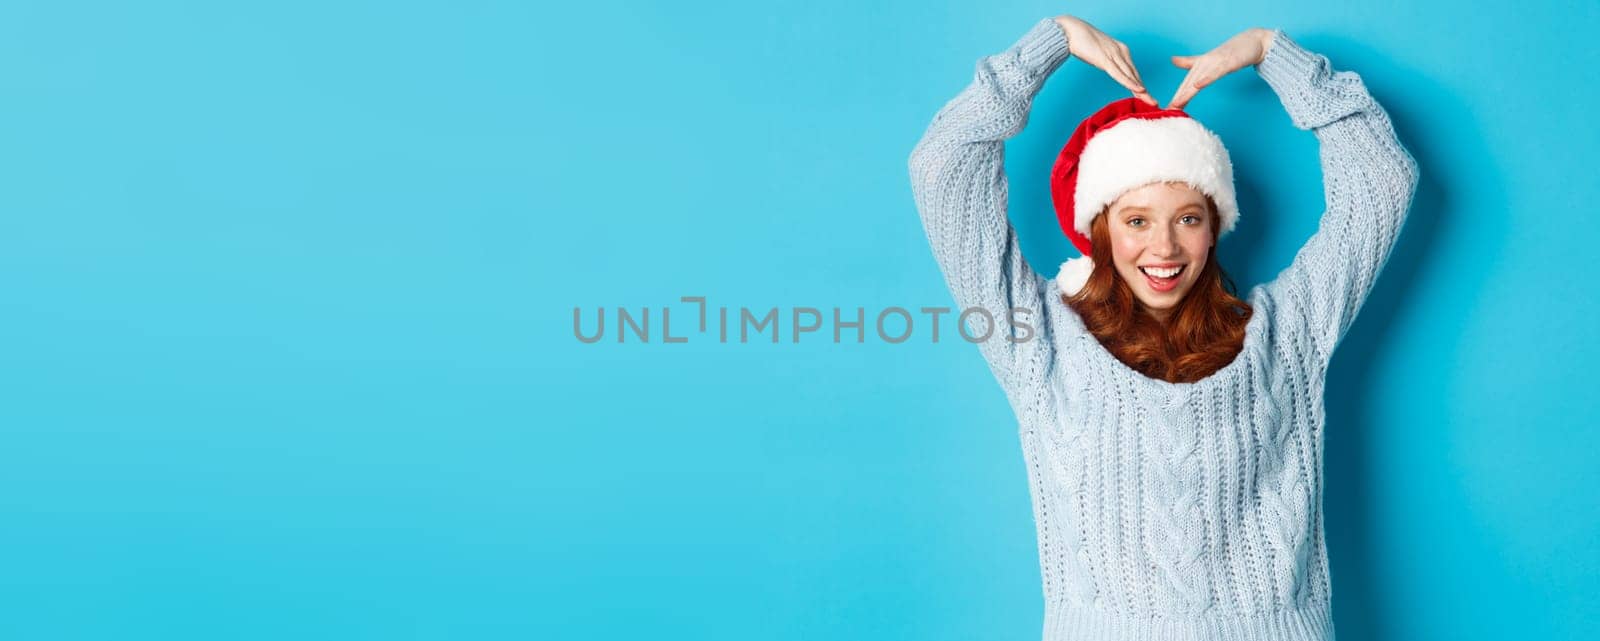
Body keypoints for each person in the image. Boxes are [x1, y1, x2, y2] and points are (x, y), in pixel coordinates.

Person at [906, 13, 1418, 641]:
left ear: (1216, 225)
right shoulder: (1039, 340)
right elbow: (943, 166)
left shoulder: (1287, 332)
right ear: (1100, 229)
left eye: (1188, 218)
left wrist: (1272, 53)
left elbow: (1384, 181)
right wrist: (1053, 42)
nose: (1165, 247)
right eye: (1137, 221)